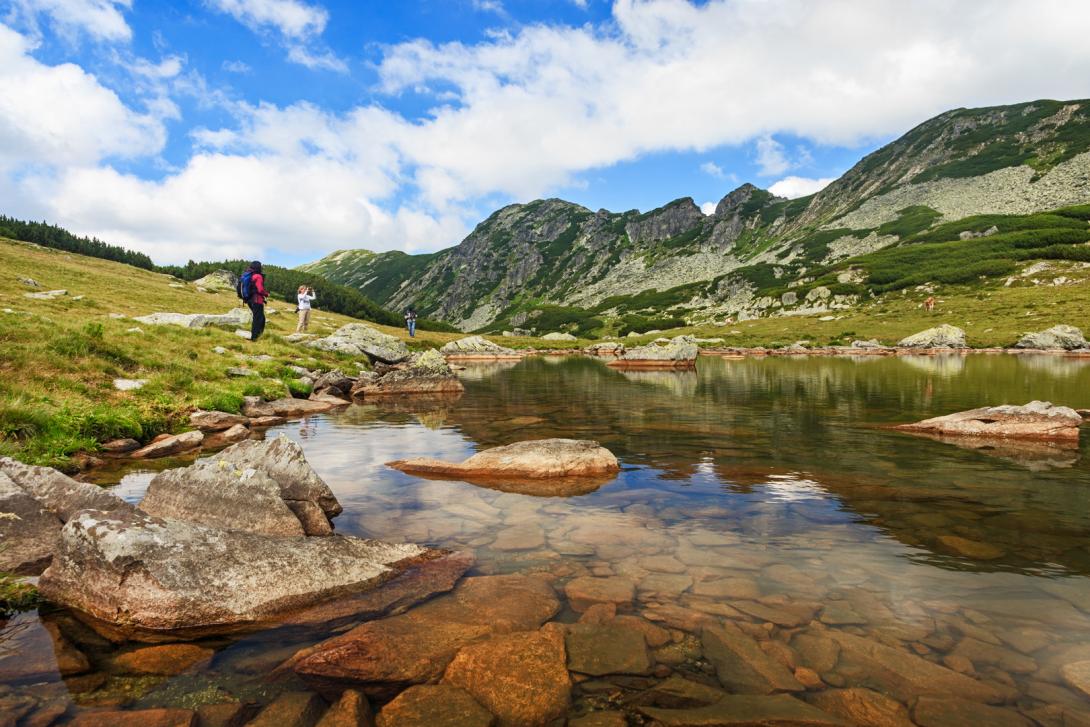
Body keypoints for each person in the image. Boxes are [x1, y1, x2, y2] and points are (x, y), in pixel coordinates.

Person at [244, 261, 268, 341]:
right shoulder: (258, 276)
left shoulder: (250, 275)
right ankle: (255, 337)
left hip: (249, 300)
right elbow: (260, 289)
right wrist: (266, 293)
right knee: (258, 319)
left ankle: (258, 335)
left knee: (261, 318)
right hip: (257, 300)